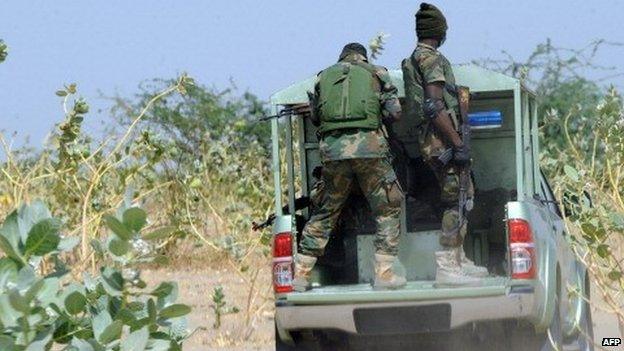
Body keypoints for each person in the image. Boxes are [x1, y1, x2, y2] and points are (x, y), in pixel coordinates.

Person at [292, 43, 405, 291]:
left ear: (341, 57)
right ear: (363, 56)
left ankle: (300, 274)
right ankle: (384, 275)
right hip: (370, 151)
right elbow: (395, 112)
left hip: (333, 153)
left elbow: (315, 118)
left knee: (325, 211)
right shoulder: (377, 72)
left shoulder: (324, 77)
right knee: (386, 208)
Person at [401, 3, 487, 286]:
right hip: (440, 141)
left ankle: (458, 259)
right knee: (457, 198)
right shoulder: (430, 59)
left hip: (434, 140)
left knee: (463, 196)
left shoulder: (417, 57)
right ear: (439, 31)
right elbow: (433, 105)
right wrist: (457, 142)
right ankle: (448, 265)